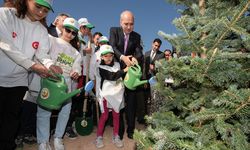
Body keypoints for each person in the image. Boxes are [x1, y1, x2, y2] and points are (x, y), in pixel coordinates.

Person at [0, 0, 60, 149]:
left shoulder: (41, 30)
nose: (40, 12)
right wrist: (32, 66)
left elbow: (42, 54)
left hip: (19, 82)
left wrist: (50, 65)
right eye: (38, 6)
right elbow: (6, 45)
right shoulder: (5, 15)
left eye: (45, 10)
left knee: (10, 120)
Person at [34, 17, 82, 150]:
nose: (70, 34)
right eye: (68, 30)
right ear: (62, 28)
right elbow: (41, 54)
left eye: (74, 32)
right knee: (44, 111)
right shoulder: (50, 40)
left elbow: (77, 67)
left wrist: (76, 72)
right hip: (50, 81)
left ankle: (58, 138)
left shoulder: (76, 53)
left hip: (66, 84)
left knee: (65, 111)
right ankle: (43, 141)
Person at [109, 10, 143, 139]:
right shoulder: (114, 31)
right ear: (120, 22)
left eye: (131, 24)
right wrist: (123, 58)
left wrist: (135, 58)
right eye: (126, 24)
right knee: (118, 101)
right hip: (117, 72)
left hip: (131, 74)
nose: (129, 27)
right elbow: (112, 47)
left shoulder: (136, 36)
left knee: (131, 101)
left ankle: (130, 130)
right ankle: (120, 130)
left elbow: (139, 51)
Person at [94, 45, 128, 148]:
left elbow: (122, 77)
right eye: (106, 56)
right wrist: (124, 70)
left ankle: (116, 136)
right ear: (102, 57)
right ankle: (99, 137)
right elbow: (111, 76)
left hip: (117, 96)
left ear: (113, 56)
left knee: (116, 116)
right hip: (105, 95)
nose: (108, 58)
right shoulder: (100, 67)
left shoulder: (117, 65)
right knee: (104, 116)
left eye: (110, 56)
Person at [143, 38, 164, 116]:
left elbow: (161, 68)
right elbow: (144, 67)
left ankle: (153, 116)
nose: (156, 47)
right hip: (146, 79)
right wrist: (144, 79)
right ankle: (145, 116)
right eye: (155, 45)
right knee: (145, 98)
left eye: (158, 46)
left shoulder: (161, 55)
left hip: (154, 79)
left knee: (154, 98)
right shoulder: (146, 53)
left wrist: (154, 68)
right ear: (152, 44)